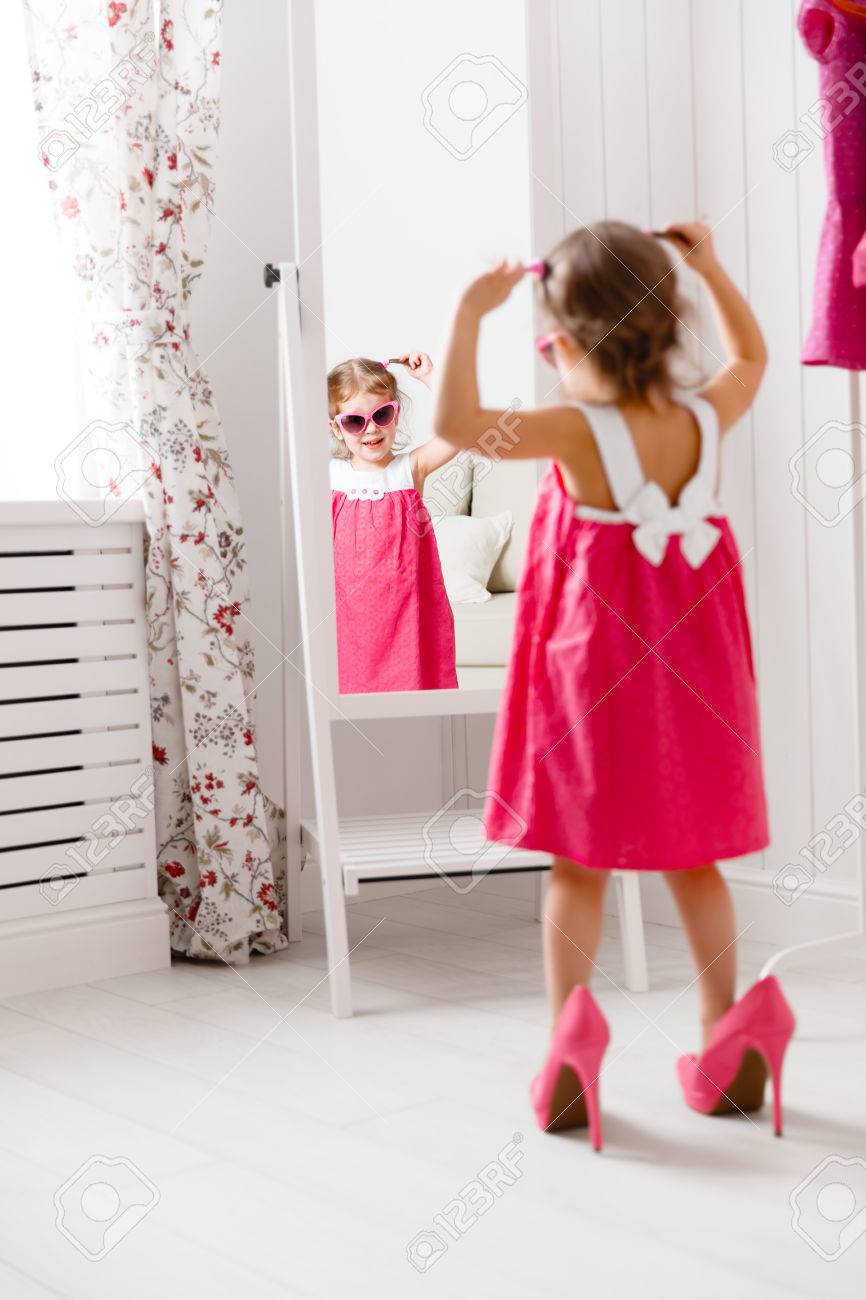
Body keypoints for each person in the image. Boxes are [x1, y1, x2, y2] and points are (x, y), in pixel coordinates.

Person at [433, 221, 795, 1148]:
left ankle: (570, 1041)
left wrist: (470, 317)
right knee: (693, 854)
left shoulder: (575, 431)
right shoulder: (708, 416)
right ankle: (731, 1021)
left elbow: (456, 428)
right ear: (671, 323)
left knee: (577, 863)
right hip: (698, 675)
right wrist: (709, 265)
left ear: (562, 335)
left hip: (594, 673)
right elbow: (753, 351)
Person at [328, 353, 459, 693]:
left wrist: (431, 378)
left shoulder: (409, 469)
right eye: (355, 422)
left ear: (395, 414)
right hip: (348, 620)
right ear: (337, 429)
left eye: (381, 415)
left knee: (412, 696)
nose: (370, 429)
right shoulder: (331, 475)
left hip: (406, 614)